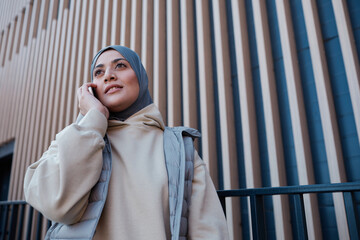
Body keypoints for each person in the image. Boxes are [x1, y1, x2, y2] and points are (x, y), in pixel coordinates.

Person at [24, 45, 229, 240]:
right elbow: (56, 205)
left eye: (120, 66)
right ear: (91, 89)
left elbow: (208, 231)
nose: (109, 75)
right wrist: (93, 119)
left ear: (140, 77)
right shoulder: (76, 137)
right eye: (98, 72)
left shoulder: (179, 147)